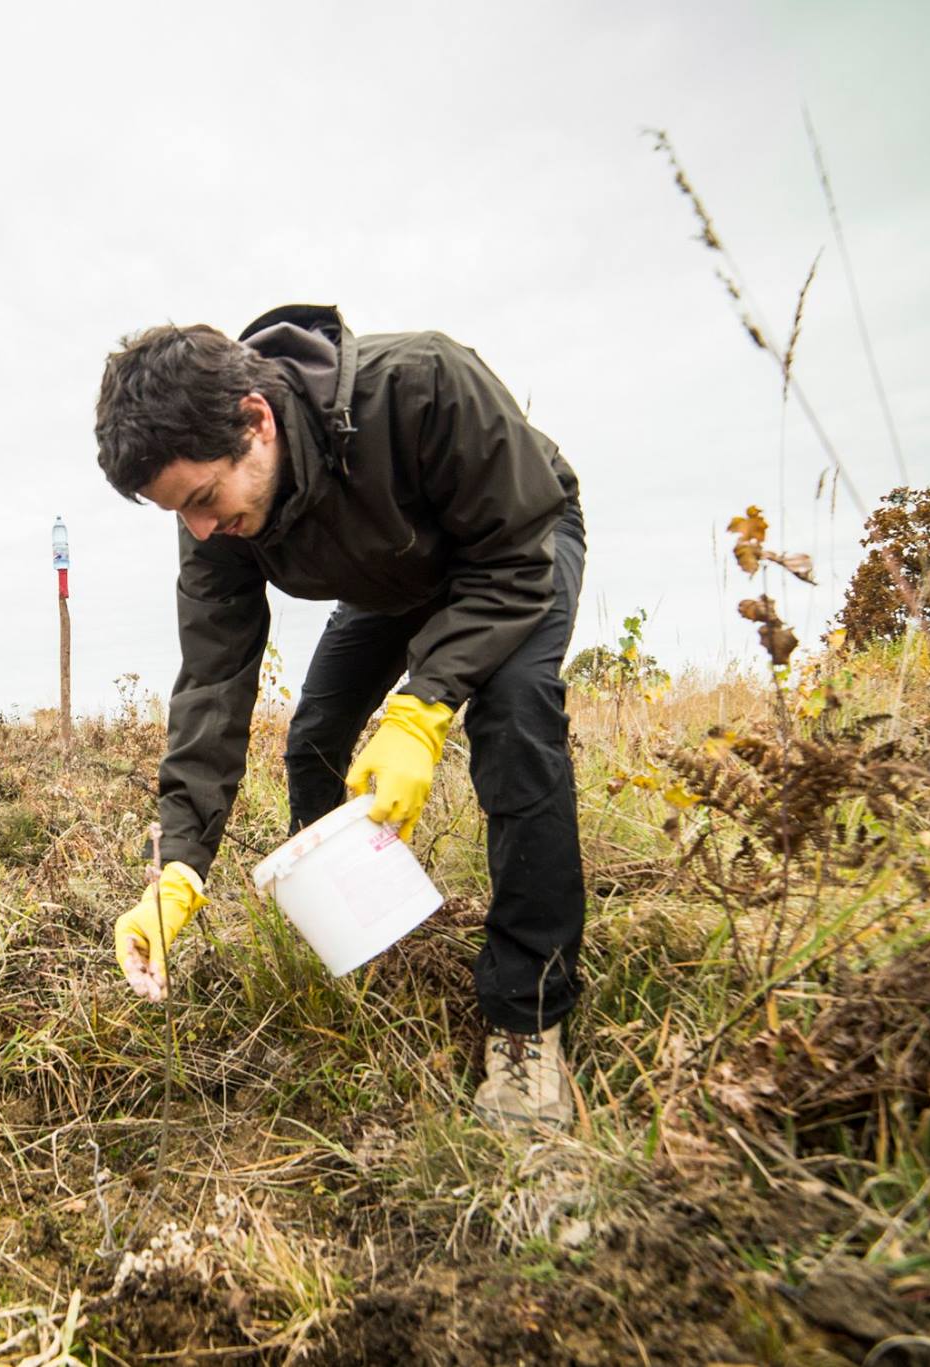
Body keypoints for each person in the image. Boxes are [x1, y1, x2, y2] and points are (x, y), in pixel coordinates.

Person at [93, 305, 587, 1131]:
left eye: (205, 498)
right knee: (315, 736)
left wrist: (424, 707)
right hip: (386, 579)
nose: (201, 528)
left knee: (513, 717)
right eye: (178, 511)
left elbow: (515, 550)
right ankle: (361, 932)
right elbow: (214, 679)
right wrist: (178, 867)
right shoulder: (213, 520)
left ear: (256, 420)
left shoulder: (423, 384)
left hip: (512, 548)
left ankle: (528, 1019)